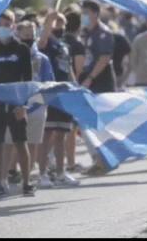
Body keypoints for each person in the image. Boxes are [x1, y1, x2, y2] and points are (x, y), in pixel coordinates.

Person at [0, 10, 35, 197]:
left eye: (7, 25)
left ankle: (26, 182)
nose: (3, 28)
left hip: (15, 103)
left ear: (13, 26)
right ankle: (0, 182)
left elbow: (27, 80)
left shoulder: (22, 49)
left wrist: (23, 105)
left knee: (20, 142)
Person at [5, 20, 54, 185]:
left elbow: (49, 82)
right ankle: (10, 173)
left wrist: (42, 99)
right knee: (12, 141)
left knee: (33, 141)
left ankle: (29, 172)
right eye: (26, 35)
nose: (30, 38)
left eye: (32, 35)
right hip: (16, 104)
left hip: (37, 104)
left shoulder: (42, 58)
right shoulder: (13, 55)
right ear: (17, 34)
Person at [37, 11, 81, 187]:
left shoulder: (64, 45)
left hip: (65, 93)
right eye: (57, 23)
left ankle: (61, 172)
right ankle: (42, 174)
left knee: (62, 134)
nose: (60, 26)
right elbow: (42, 41)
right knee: (47, 135)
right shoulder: (46, 42)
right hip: (50, 92)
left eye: (63, 23)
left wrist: (75, 86)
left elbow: (69, 68)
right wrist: (50, 18)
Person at [79, 0, 116, 175]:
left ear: (95, 13)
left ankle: (103, 160)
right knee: (88, 123)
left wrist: (90, 78)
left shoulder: (103, 33)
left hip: (101, 82)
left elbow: (104, 58)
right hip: (88, 81)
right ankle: (98, 159)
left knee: (100, 122)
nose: (83, 15)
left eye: (86, 12)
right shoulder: (86, 33)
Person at [62, 11, 86, 174]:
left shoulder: (58, 41)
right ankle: (70, 162)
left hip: (55, 88)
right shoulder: (77, 44)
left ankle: (54, 164)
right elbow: (78, 70)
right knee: (70, 129)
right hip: (70, 89)